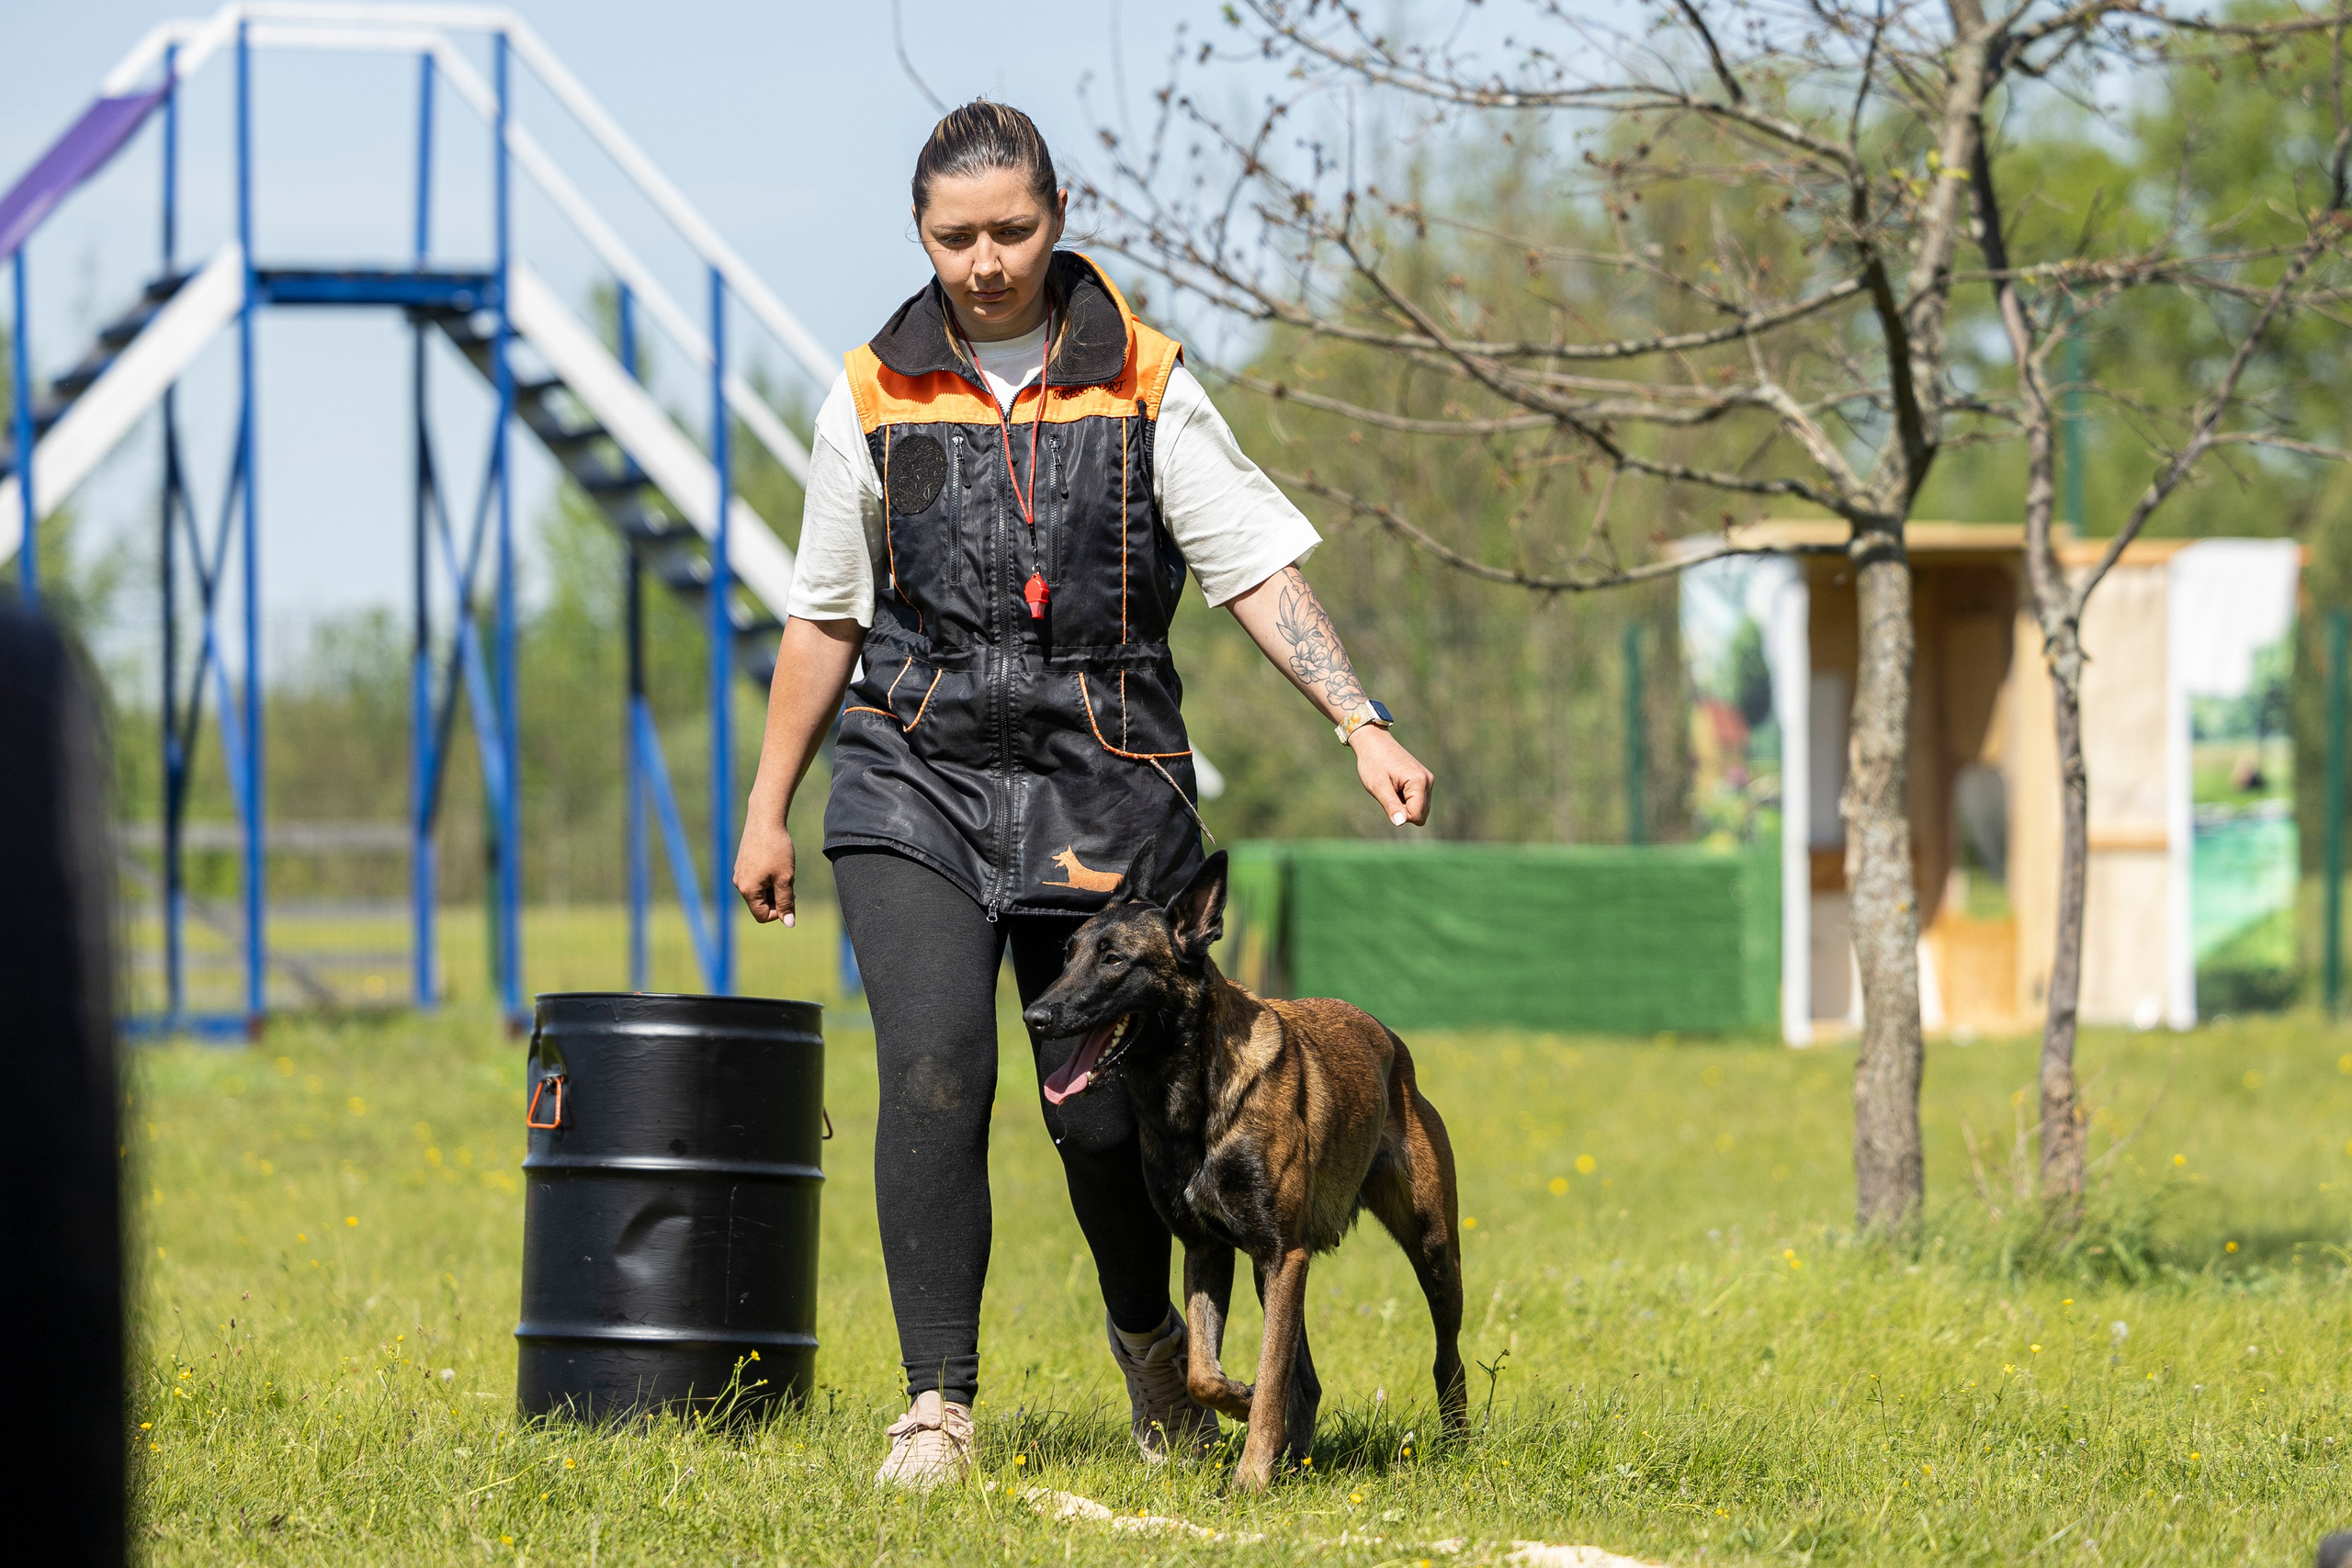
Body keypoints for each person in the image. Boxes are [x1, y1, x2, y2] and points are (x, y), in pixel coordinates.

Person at [732, 100, 1434, 1490]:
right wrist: (767, 806)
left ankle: (1155, 1367)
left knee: (1105, 1115)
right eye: (955, 236)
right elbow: (824, 617)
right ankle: (936, 1405)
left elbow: (1248, 566)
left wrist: (1359, 717)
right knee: (936, 1073)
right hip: (912, 773)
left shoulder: (1148, 381)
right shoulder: (872, 392)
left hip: (1102, 781)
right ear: (919, 235)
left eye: (1013, 229)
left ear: (1062, 213)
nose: (986, 260)